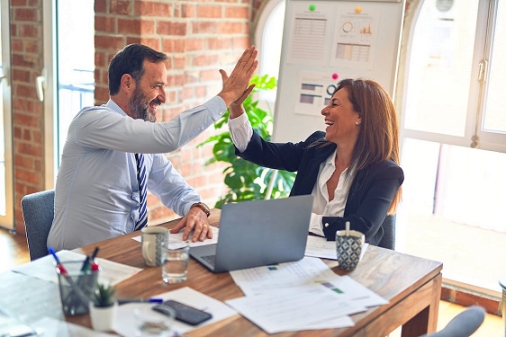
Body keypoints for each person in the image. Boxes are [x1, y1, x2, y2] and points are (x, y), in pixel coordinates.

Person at [47, 43, 258, 250]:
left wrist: (196, 207)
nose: (163, 98)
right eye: (157, 86)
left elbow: (174, 188)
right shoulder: (91, 121)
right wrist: (227, 96)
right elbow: (168, 138)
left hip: (124, 254)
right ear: (128, 83)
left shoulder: (141, 141)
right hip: (77, 262)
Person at [228, 78, 403, 246]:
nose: (324, 111)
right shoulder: (316, 148)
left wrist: (299, 218)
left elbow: (360, 229)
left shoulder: (385, 173)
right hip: (295, 253)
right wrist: (236, 108)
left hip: (349, 266)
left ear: (360, 116)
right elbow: (260, 151)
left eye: (334, 104)